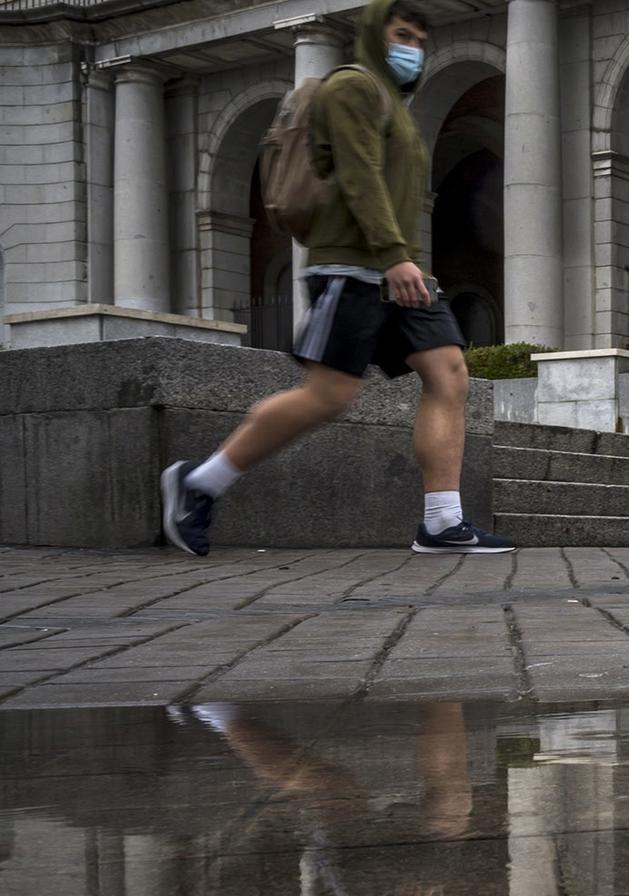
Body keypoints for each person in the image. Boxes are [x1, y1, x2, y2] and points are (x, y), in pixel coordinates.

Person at [160, 0, 515, 557]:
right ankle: (198, 483)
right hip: (353, 265)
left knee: (450, 373)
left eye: (420, 39)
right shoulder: (352, 88)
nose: (412, 48)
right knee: (330, 395)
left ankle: (442, 523)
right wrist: (394, 254)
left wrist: (405, 262)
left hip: (400, 270)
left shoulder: (396, 106)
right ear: (375, 35)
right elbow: (357, 173)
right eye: (402, 35)